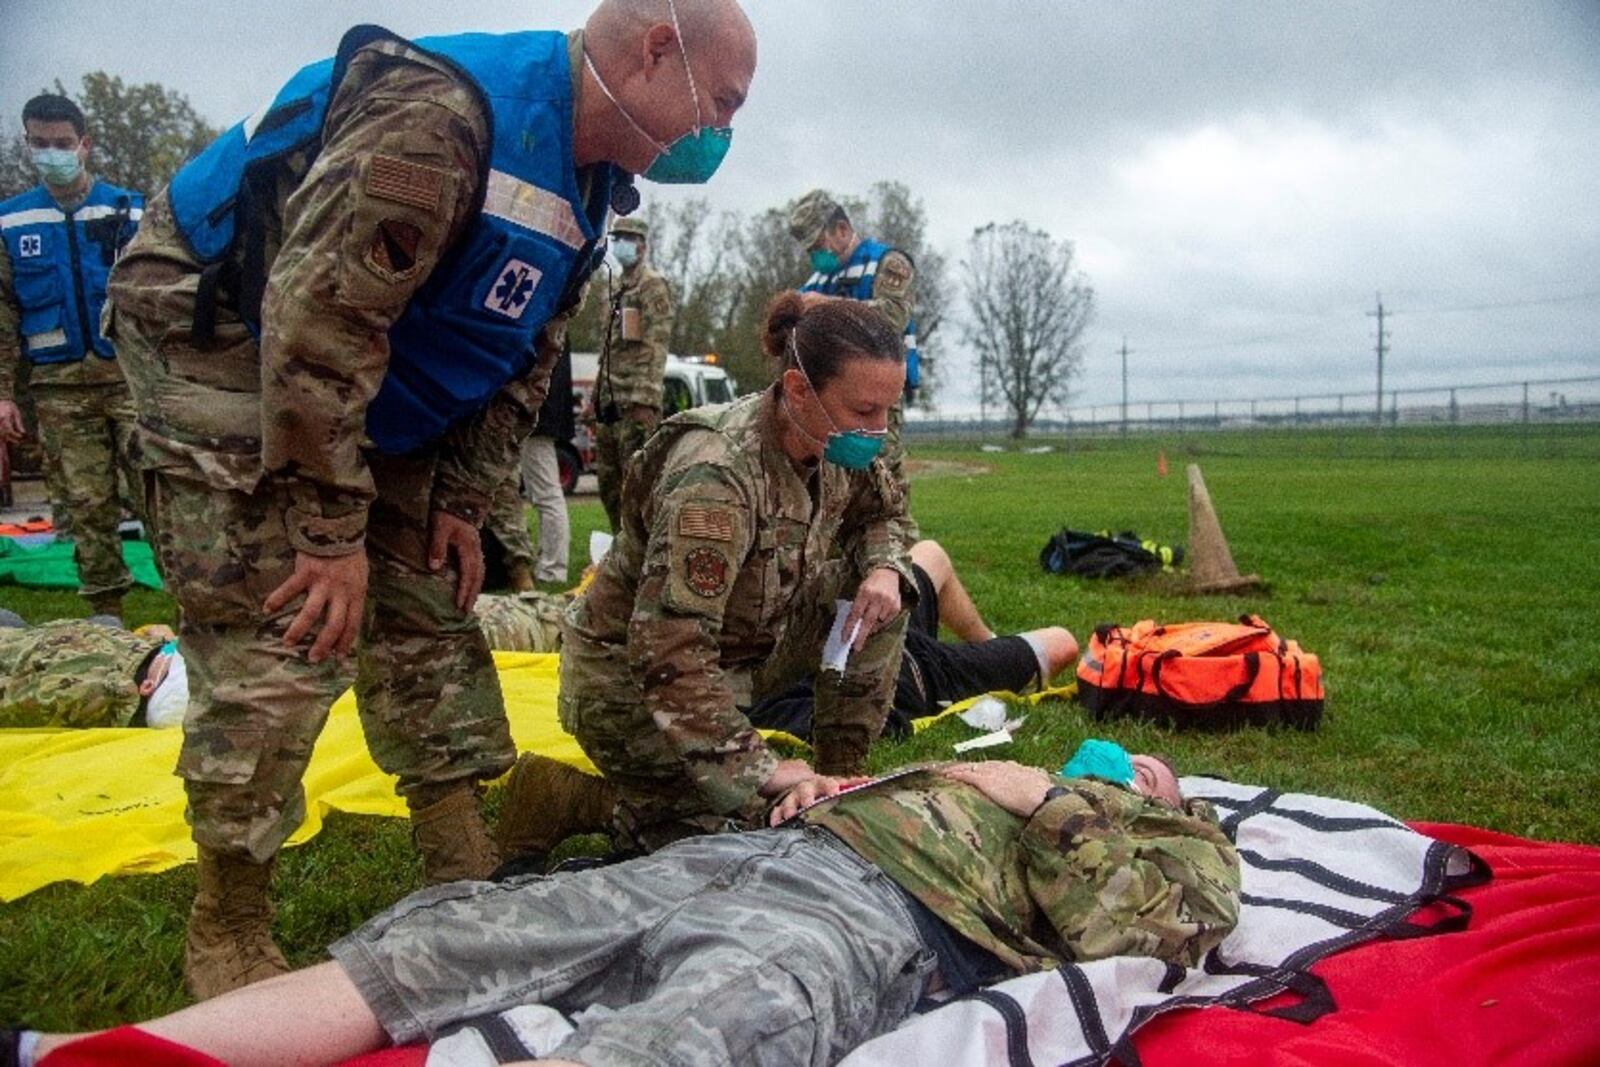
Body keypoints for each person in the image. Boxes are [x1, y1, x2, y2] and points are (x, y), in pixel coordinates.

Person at [102, 0, 757, 999]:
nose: (718, 137)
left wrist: (459, 496)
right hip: (229, 339)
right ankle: (230, 913)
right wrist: (325, 529)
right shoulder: (437, 116)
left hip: (372, 364)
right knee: (288, 613)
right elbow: (318, 318)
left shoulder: (588, 177)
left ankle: (460, 851)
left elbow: (522, 353)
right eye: (724, 104)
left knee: (423, 595)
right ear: (657, 49)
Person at [9, 745, 1241, 1067]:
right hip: (752, 851)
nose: (1117, 766)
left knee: (695, 1032)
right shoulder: (991, 774)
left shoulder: (1178, 844)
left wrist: (1051, 801)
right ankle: (73, 1055)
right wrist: (830, 781)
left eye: (1141, 770)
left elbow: (1148, 930)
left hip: (882, 917)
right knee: (446, 939)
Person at [559, 292, 913, 854]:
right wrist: (761, 774)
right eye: (864, 412)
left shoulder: (833, 440)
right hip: (628, 686)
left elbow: (885, 515)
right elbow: (667, 650)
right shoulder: (716, 477)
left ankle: (842, 778)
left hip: (742, 657)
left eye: (888, 411)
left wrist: (885, 569)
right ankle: (575, 801)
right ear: (799, 390)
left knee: (882, 596)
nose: (878, 430)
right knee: (740, 840)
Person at [499, 537, 1080, 866]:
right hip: (841, 673)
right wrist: (987, 657)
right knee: (789, 824)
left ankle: (593, 806)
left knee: (925, 559)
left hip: (817, 656)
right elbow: (1062, 643)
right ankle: (594, 807)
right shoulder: (933, 668)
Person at [0, 94, 145, 621]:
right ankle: (107, 624)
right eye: (40, 144)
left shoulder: (129, 210)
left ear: (84, 145)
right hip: (59, 391)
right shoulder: (12, 222)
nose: (52, 153)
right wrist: (2, 396)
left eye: (62, 144)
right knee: (87, 510)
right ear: (28, 143)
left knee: (161, 497)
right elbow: (2, 314)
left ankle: (193, 619)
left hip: (131, 383)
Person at [788, 188, 919, 523]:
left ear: (842, 230)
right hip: (830, 397)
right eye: (811, 251)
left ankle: (895, 549)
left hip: (877, 393)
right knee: (830, 479)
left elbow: (893, 315)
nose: (817, 255)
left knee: (882, 476)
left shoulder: (889, 264)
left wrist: (829, 306)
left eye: (819, 245)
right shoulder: (818, 279)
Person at [588, 215, 676, 531]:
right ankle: (620, 551)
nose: (620, 244)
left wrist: (645, 398)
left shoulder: (652, 285)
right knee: (608, 483)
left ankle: (642, 557)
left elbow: (657, 343)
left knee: (637, 485)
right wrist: (597, 395)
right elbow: (607, 348)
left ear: (641, 244)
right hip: (611, 402)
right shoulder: (613, 287)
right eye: (617, 238)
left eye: (627, 238)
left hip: (636, 400)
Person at [483, 341, 576, 591]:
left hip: (535, 414)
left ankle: (553, 567)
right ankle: (550, 566)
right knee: (543, 493)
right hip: (537, 411)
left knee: (545, 493)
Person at [0, 610, 186, 729]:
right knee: (108, 619)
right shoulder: (155, 660)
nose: (171, 647)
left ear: (147, 686)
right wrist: (168, 644)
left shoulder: (84, 690)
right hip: (67, 639)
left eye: (170, 654)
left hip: (17, 647)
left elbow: (11, 698)